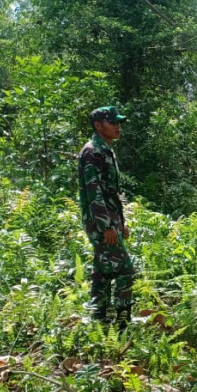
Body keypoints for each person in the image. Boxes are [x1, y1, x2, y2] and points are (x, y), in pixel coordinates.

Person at [78, 106, 136, 329]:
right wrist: (105, 227)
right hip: (100, 223)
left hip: (110, 221)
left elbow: (110, 192)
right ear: (98, 126)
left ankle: (98, 319)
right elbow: (94, 193)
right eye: (113, 122)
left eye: (118, 122)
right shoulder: (92, 152)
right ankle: (122, 325)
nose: (117, 126)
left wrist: (120, 224)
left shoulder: (106, 150)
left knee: (102, 270)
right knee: (124, 269)